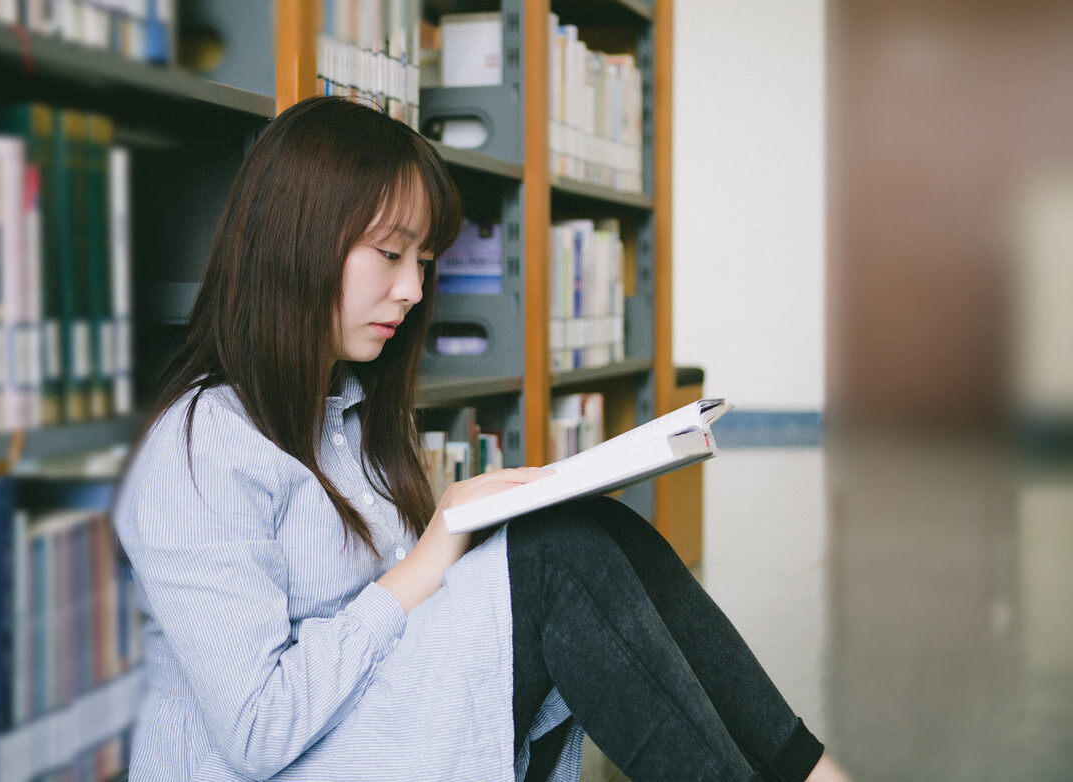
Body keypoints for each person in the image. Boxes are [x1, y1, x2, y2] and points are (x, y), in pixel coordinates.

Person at [114, 95, 850, 782]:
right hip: (295, 760)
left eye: (424, 264)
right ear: (296, 244)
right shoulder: (197, 448)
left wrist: (464, 541)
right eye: (390, 255)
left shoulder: (345, 413)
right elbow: (254, 731)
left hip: (372, 725)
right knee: (555, 559)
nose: (411, 290)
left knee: (587, 527)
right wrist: (430, 557)